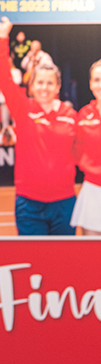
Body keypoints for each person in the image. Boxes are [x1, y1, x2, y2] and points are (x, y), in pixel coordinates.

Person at [0, 16, 78, 235]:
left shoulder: (71, 115)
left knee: (64, 262)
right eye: (40, 82)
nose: (44, 87)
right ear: (31, 85)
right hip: (29, 203)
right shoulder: (23, 108)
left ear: (58, 86)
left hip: (65, 202)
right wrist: (2, 37)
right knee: (34, 262)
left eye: (50, 83)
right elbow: (3, 77)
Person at [72, 60, 101, 235]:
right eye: (97, 80)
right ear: (90, 84)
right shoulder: (83, 114)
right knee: (92, 254)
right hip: (92, 190)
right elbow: (77, 149)